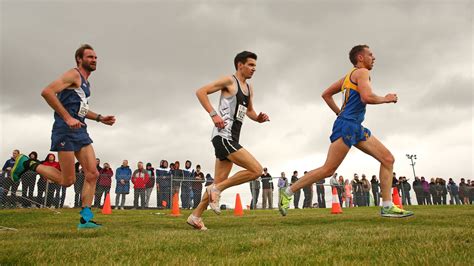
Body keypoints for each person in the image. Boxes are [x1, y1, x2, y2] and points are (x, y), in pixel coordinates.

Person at [279, 45, 413, 217]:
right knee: (328, 169)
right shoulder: (362, 72)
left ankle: (387, 206)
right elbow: (366, 97)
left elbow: (326, 94)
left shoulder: (349, 76)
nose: (374, 57)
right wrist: (385, 99)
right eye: (370, 54)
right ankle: (288, 192)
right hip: (347, 125)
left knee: (387, 159)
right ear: (360, 58)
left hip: (354, 126)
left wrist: (339, 113)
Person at [10, 44, 116, 228]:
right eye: (90, 57)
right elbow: (47, 92)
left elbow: (81, 109)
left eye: (96, 57)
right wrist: (67, 118)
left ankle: (85, 219)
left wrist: (99, 118)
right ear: (79, 59)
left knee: (92, 173)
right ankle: (27, 163)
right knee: (67, 181)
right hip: (65, 130)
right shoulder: (73, 74)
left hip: (80, 130)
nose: (94, 60)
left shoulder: (86, 83)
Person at [187, 51, 269, 230]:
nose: (254, 69)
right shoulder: (229, 81)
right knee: (256, 170)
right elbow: (201, 92)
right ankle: (215, 190)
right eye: (250, 65)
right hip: (223, 136)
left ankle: (195, 216)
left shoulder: (249, 88)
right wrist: (213, 114)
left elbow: (249, 111)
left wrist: (258, 118)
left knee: (217, 183)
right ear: (240, 65)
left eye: (255, 66)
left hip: (232, 138)